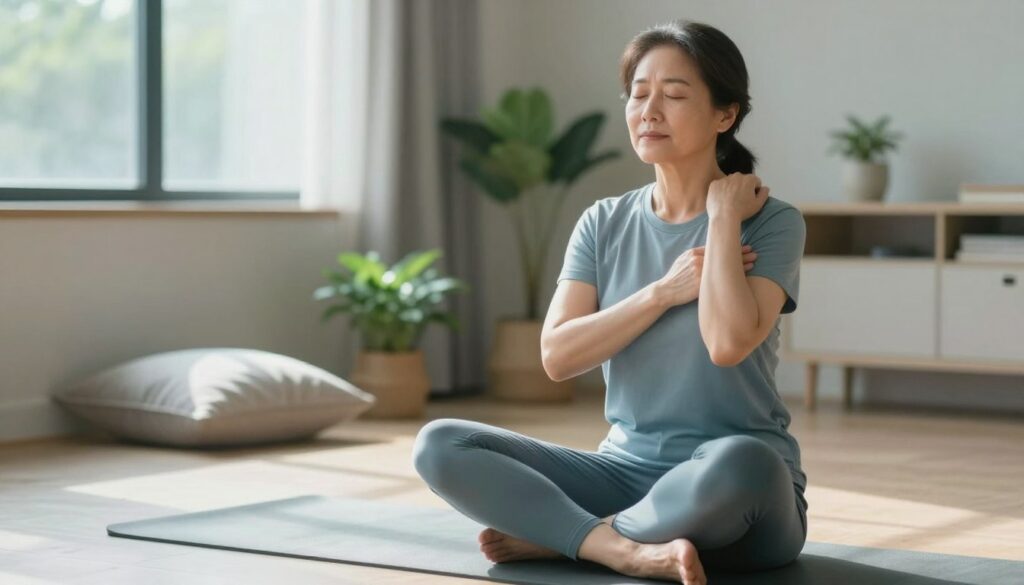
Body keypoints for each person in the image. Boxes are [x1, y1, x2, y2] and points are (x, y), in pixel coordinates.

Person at [412, 19, 807, 585]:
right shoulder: (603, 222)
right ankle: (618, 547)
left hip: (738, 495)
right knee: (441, 443)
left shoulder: (772, 222)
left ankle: (571, 536)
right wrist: (662, 292)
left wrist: (722, 217)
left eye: (674, 95)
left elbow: (727, 344)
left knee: (744, 461)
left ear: (726, 114)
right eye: (639, 95)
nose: (650, 111)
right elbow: (558, 356)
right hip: (623, 473)